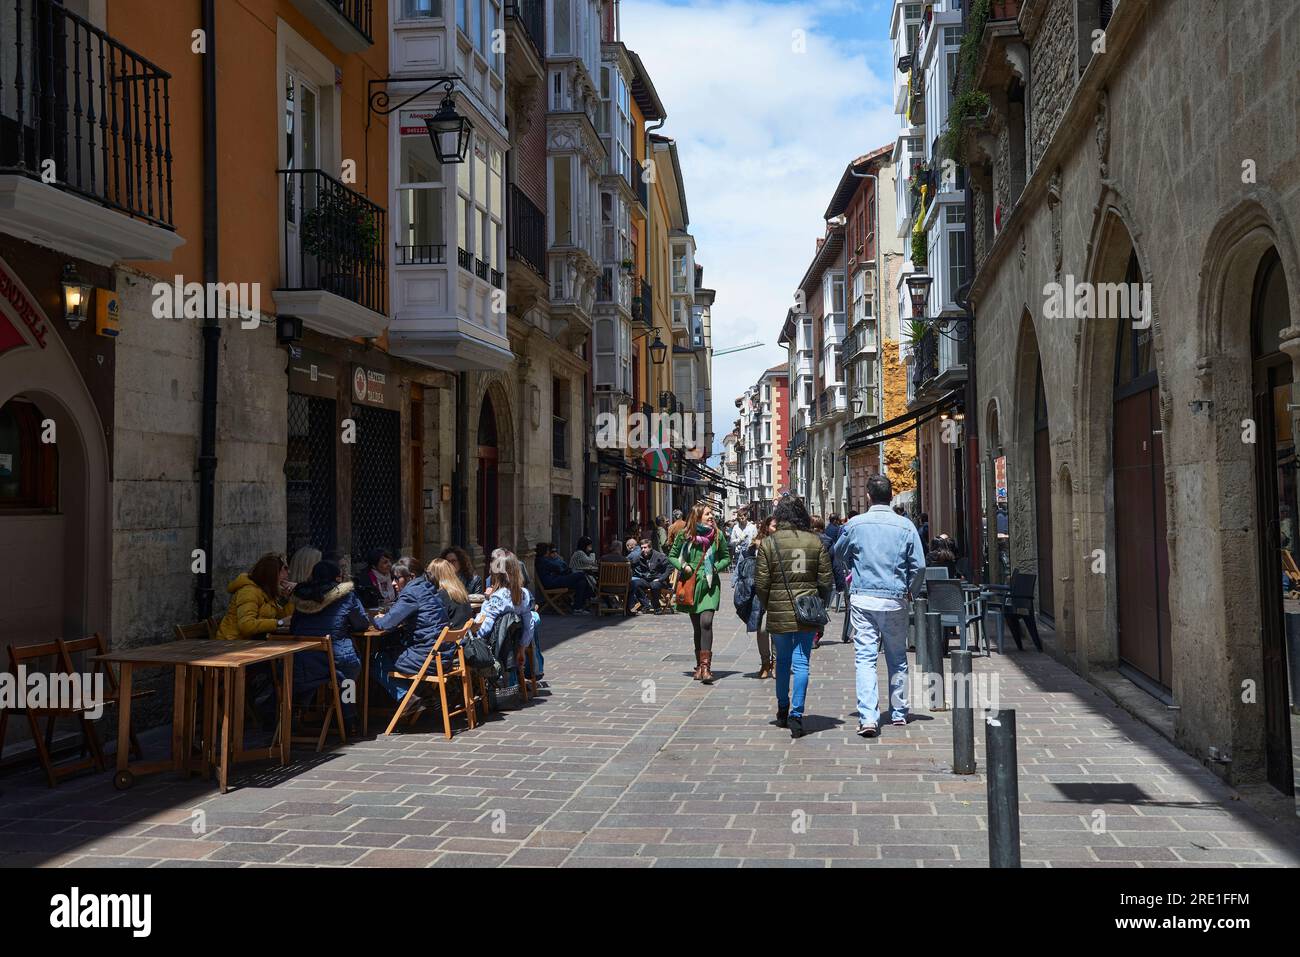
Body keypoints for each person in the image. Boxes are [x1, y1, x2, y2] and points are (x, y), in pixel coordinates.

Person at [834, 473, 926, 738]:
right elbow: (919, 565)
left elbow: (838, 553)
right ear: (890, 494)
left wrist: (853, 565)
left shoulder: (855, 524)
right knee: (897, 657)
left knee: (865, 658)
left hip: (863, 598)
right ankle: (899, 712)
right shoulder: (905, 526)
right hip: (895, 598)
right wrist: (911, 589)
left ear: (868, 496)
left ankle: (868, 718)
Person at [754, 498, 831, 738]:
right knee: (802, 663)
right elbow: (826, 581)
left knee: (783, 662)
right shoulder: (814, 541)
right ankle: (797, 716)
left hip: (779, 610)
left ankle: (782, 709)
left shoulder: (768, 544)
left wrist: (770, 605)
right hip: (807, 611)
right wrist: (820, 603)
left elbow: (762, 583)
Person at [372, 558, 475, 702]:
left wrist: (375, 619)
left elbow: (386, 624)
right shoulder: (428, 588)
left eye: (397, 578)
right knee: (395, 648)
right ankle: (422, 695)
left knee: (378, 660)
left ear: (411, 577)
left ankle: (407, 698)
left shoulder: (411, 593)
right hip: (444, 656)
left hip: (429, 659)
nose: (394, 583)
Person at [289, 560, 371, 734]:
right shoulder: (347, 596)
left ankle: (298, 710)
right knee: (349, 676)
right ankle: (349, 718)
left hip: (303, 659)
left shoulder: (302, 596)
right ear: (336, 578)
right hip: (338, 657)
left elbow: (293, 628)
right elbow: (361, 623)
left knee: (306, 674)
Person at [668, 502, 732, 684]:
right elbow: (672, 555)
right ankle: (699, 666)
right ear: (697, 517)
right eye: (707, 514)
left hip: (710, 586)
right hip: (691, 584)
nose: (711, 517)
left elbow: (726, 557)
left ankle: (706, 667)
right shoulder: (685, 535)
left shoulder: (717, 535)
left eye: (711, 514)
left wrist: (715, 566)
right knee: (697, 627)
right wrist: (683, 566)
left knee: (706, 622)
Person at [475, 553, 537, 688]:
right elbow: (529, 625)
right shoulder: (524, 594)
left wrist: (471, 634)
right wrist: (522, 647)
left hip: (497, 649)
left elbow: (485, 627)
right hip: (514, 645)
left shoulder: (497, 598)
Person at [734, 515, 777, 678]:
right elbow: (747, 565)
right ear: (766, 527)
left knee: (776, 629)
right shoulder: (756, 544)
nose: (776, 529)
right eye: (774, 526)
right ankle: (765, 662)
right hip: (758, 591)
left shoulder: (783, 544)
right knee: (762, 628)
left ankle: (776, 662)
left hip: (776, 590)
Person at [217, 552, 295, 640]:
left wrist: (289, 598)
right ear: (272, 573)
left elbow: (283, 619)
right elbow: (246, 625)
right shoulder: (249, 591)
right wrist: (279, 623)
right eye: (285, 568)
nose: (288, 572)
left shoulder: (267, 592)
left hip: (251, 641)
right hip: (232, 642)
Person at [537, 543, 593, 614]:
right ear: (545, 551)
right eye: (548, 550)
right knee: (581, 574)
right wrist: (558, 559)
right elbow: (558, 568)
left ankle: (577, 607)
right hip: (552, 582)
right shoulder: (543, 561)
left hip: (555, 580)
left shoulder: (543, 560)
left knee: (581, 582)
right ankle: (591, 595)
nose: (549, 552)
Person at [632, 536, 672, 612]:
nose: (643, 550)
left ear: (650, 548)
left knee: (654, 585)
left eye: (645, 547)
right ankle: (646, 604)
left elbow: (670, 567)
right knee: (634, 583)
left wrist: (661, 578)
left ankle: (657, 607)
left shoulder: (659, 556)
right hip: (647, 579)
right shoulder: (640, 556)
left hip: (659, 580)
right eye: (642, 548)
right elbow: (631, 563)